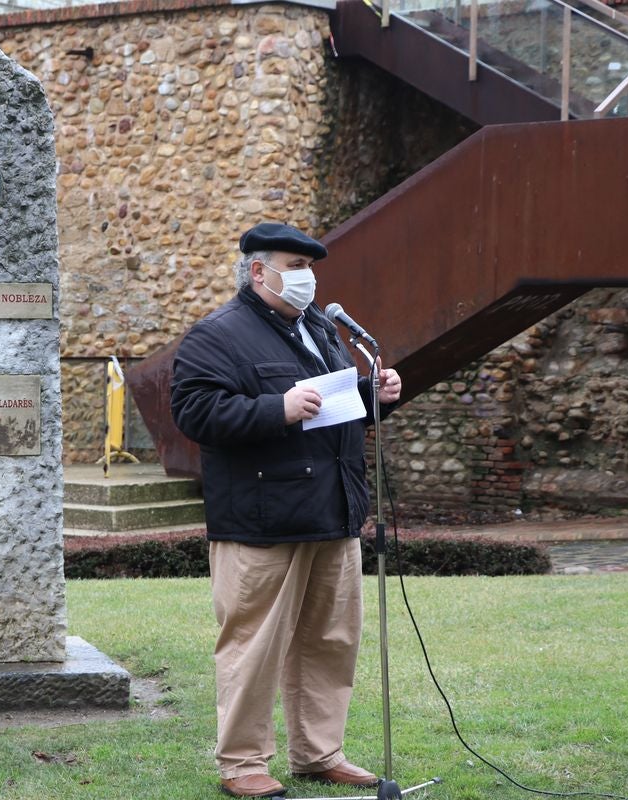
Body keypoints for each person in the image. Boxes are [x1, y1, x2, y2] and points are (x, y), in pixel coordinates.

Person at [170, 222, 403, 798]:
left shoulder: (320, 327)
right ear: (257, 270)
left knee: (330, 640)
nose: (307, 277)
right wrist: (277, 408)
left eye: (310, 266)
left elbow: (334, 409)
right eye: (295, 266)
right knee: (255, 646)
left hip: (333, 512)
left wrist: (377, 398)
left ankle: (319, 752)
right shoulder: (216, 335)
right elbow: (195, 414)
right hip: (261, 521)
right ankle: (244, 763)